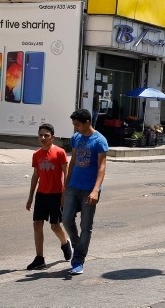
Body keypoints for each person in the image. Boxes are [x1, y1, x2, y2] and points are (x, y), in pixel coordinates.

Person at [63, 108, 108, 275]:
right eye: (74, 125)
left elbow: (102, 167)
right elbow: (73, 161)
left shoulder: (100, 140)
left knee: (86, 226)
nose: (76, 128)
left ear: (87, 122)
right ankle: (77, 245)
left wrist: (96, 190)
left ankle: (78, 260)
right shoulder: (76, 138)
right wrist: (65, 185)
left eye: (77, 125)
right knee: (66, 219)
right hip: (73, 186)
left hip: (90, 189)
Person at [25, 123, 72, 271]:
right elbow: (35, 176)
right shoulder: (36, 154)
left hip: (56, 195)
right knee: (37, 224)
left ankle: (65, 243)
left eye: (46, 135)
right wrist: (30, 197)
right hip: (41, 194)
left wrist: (65, 194)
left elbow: (66, 174)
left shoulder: (60, 152)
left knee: (55, 226)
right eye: (40, 135)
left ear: (53, 137)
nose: (43, 138)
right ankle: (39, 258)